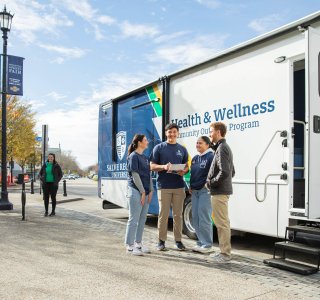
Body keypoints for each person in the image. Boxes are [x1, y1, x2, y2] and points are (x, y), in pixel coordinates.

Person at [150, 123, 189, 251]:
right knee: (164, 214)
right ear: (166, 133)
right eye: (169, 132)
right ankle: (161, 241)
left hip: (179, 186)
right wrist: (163, 167)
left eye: (174, 132)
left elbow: (186, 166)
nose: (172, 134)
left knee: (178, 215)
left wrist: (184, 171)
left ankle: (178, 241)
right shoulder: (159, 148)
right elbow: (151, 166)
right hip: (164, 186)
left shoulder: (182, 149)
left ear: (177, 133)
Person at [206, 122, 235, 263]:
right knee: (222, 222)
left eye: (211, 131)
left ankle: (225, 255)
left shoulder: (222, 148)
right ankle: (224, 252)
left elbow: (225, 171)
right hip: (222, 190)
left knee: (221, 223)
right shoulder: (223, 147)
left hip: (219, 192)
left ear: (218, 132)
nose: (209, 134)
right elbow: (232, 172)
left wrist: (211, 182)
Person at [125, 134, 153, 256]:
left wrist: (150, 190)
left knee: (142, 219)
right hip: (136, 191)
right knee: (134, 219)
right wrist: (142, 192)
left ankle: (138, 244)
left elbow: (149, 175)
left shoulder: (146, 158)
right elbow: (135, 176)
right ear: (139, 142)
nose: (147, 142)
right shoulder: (133, 156)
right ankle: (130, 246)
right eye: (145, 140)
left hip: (145, 192)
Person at [190, 136, 214, 253]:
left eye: (200, 143)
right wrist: (190, 186)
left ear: (207, 145)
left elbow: (213, 173)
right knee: (195, 217)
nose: (197, 145)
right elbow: (193, 174)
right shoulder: (194, 158)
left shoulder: (211, 156)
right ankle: (200, 242)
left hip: (205, 191)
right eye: (197, 143)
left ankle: (207, 244)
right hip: (194, 191)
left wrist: (207, 184)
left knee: (204, 217)